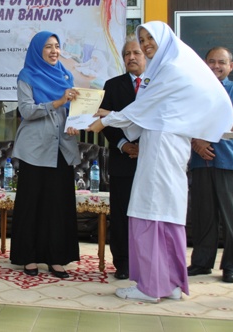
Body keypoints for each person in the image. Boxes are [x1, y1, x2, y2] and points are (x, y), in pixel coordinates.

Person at [87, 21, 233, 302]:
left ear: (165, 40)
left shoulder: (170, 71)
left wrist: (102, 122)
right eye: (142, 39)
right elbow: (145, 113)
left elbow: (141, 109)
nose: (145, 45)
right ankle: (170, 283)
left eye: (149, 39)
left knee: (150, 213)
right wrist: (109, 118)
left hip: (161, 150)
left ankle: (150, 288)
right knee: (166, 215)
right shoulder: (165, 69)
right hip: (164, 146)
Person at [10, 31, 81, 279]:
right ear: (38, 50)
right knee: (32, 203)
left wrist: (76, 122)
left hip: (62, 147)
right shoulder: (27, 75)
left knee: (58, 205)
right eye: (48, 47)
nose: (54, 51)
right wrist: (57, 102)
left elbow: (73, 110)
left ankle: (56, 258)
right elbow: (27, 111)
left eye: (57, 46)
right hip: (35, 149)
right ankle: (28, 257)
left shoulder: (66, 75)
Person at [187, 47, 233, 284]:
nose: (216, 66)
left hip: (227, 162)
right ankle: (202, 263)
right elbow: (187, 120)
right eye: (211, 61)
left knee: (231, 218)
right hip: (200, 161)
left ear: (230, 66)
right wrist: (196, 142)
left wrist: (207, 138)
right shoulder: (195, 90)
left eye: (221, 62)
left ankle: (231, 266)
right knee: (203, 216)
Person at [99, 33, 146, 280]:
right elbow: (105, 122)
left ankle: (146, 261)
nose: (131, 57)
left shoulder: (157, 84)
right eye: (127, 53)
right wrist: (123, 144)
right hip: (122, 161)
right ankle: (123, 263)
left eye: (136, 52)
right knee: (121, 215)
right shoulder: (113, 85)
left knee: (147, 215)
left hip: (151, 160)